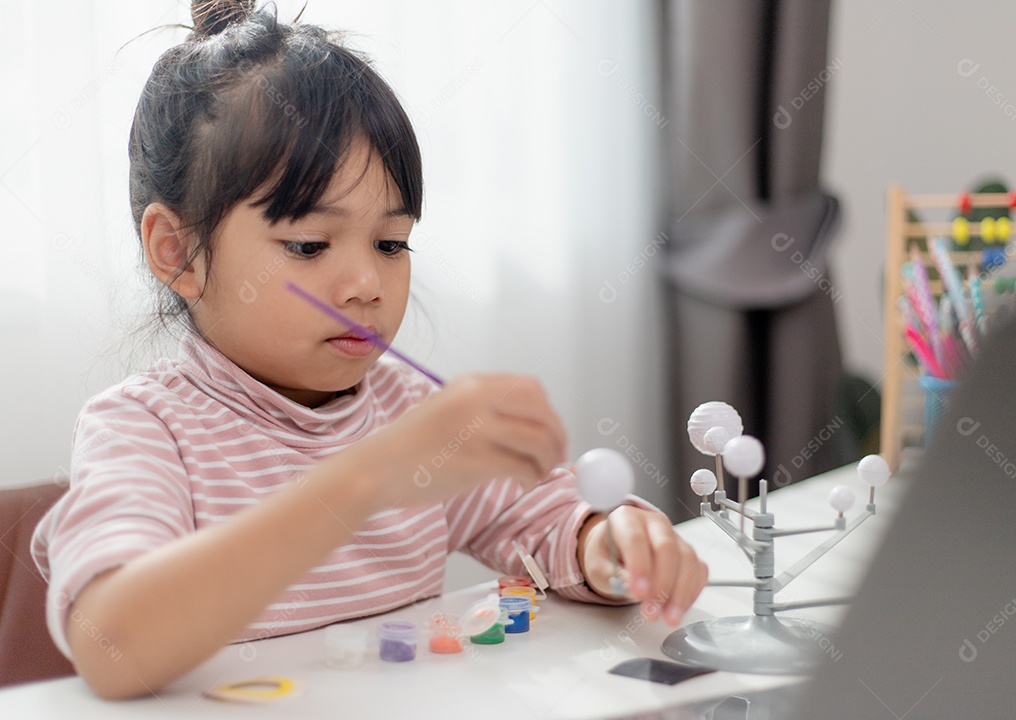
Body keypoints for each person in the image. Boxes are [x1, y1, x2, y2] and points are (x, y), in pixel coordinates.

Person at [32, 0, 708, 700]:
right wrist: (373, 475)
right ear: (178, 254)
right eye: (308, 244)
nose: (365, 285)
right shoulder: (145, 431)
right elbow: (114, 647)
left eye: (391, 243)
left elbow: (548, 525)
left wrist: (614, 544)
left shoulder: (409, 412)